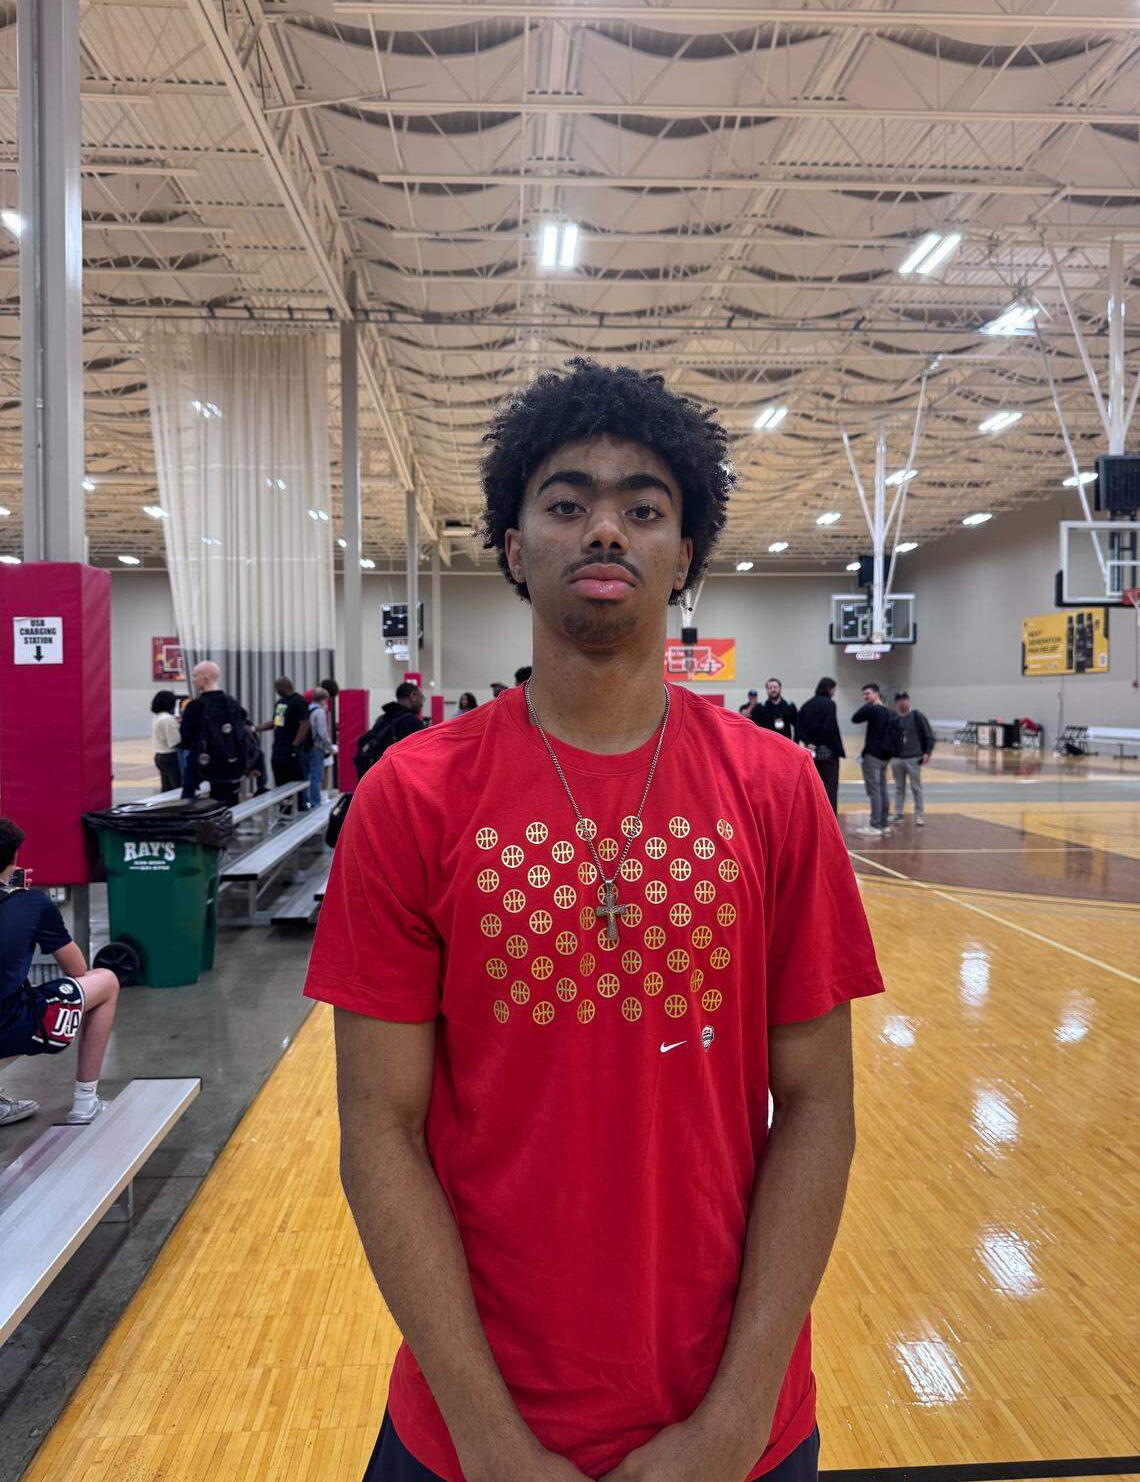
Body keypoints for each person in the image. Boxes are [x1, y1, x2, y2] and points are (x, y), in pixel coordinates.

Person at [308, 358, 883, 1482]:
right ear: (518, 549)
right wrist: (487, 1436)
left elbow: (817, 1105)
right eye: (566, 502)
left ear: (684, 553)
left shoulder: (775, 791)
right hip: (465, 1431)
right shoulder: (413, 797)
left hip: (740, 1424)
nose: (604, 527)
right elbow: (378, 1129)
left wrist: (733, 1421)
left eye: (643, 506)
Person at [0, 819, 121, 1126]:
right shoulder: (31, 904)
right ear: (14, 859)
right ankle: (86, 1102)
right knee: (105, 983)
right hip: (9, 1026)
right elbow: (78, 970)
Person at [179, 661, 250, 807]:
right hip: (228, 761)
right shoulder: (232, 703)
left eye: (195, 676)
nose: (192, 680)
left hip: (200, 760)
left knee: (188, 794)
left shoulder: (195, 706)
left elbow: (186, 737)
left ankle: (186, 824)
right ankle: (227, 827)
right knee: (225, 800)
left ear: (205, 679)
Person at [353, 683, 428, 780]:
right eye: (421, 698)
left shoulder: (383, 719)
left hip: (376, 778)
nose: (422, 703)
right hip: (399, 779)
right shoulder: (413, 722)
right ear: (412, 696)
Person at [795, 678, 845, 815]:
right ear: (829, 688)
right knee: (830, 788)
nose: (834, 692)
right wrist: (816, 742)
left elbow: (799, 727)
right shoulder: (830, 704)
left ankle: (813, 816)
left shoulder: (806, 705)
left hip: (811, 753)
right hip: (829, 751)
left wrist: (809, 743)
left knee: (813, 788)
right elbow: (828, 726)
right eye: (833, 689)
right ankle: (830, 818)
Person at [851, 682, 894, 835]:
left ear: (876, 693)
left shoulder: (873, 710)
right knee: (882, 789)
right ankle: (883, 823)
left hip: (873, 756)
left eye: (867, 694)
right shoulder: (889, 712)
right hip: (885, 757)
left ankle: (875, 824)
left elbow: (855, 718)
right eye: (864, 695)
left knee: (874, 790)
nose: (865, 697)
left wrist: (868, 704)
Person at [258, 676, 311, 799]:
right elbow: (276, 722)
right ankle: (285, 809)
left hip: (292, 750)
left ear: (284, 687)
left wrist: (295, 744)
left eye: (277, 689)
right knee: (280, 780)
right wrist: (256, 728)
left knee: (295, 780)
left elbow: (305, 724)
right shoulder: (281, 703)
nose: (276, 691)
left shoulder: (299, 701)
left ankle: (300, 806)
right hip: (279, 748)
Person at [891, 691, 934, 826]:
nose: (902, 702)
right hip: (897, 759)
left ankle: (919, 815)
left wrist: (927, 752)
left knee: (916, 788)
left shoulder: (917, 716)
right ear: (896, 703)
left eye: (904, 699)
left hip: (913, 758)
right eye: (899, 700)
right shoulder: (894, 718)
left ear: (908, 700)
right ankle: (898, 814)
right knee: (899, 788)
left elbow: (929, 735)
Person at [302, 686, 337, 810]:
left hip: (305, 746)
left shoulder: (306, 710)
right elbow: (322, 733)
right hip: (316, 747)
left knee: (305, 776)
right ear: (323, 699)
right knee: (316, 776)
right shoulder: (319, 712)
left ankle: (304, 802)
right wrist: (330, 747)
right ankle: (315, 803)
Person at [150, 690, 183, 792]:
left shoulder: (157, 717)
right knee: (177, 788)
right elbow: (175, 742)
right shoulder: (168, 719)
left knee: (166, 788)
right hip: (170, 757)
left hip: (159, 756)